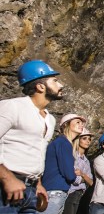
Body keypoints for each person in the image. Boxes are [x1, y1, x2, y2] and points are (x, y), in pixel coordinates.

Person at [0, 60, 63, 213]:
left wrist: (38, 183)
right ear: (40, 86)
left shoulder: (50, 119)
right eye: (55, 81)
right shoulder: (12, 107)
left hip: (31, 191)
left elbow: (37, 152)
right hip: (6, 188)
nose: (61, 85)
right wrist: (7, 179)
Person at [38, 114, 86, 214]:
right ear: (66, 125)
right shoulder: (64, 143)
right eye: (77, 122)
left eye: (82, 123)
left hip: (52, 190)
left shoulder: (60, 142)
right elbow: (69, 174)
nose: (81, 125)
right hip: (55, 192)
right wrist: (76, 175)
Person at [62, 128, 94, 214]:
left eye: (89, 139)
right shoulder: (72, 156)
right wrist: (84, 179)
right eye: (84, 138)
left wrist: (82, 174)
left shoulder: (86, 161)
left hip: (79, 195)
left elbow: (91, 182)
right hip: (70, 193)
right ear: (78, 140)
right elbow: (74, 180)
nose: (88, 141)